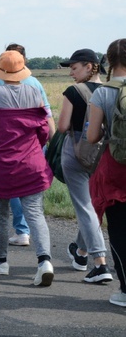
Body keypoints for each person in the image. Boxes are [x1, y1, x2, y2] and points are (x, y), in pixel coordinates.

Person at [0, 50, 54, 286]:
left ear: (1, 71)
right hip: (32, 163)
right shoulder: (35, 92)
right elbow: (44, 131)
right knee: (35, 213)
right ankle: (44, 261)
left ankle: (1, 262)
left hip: (1, 165)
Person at [56, 48, 113, 283]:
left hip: (76, 149)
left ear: (90, 66)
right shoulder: (110, 92)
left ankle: (99, 263)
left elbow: (62, 127)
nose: (71, 72)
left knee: (84, 206)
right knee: (91, 205)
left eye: (74, 67)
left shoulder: (73, 91)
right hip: (104, 152)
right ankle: (80, 253)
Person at [0, 43, 56, 247]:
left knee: (11, 191)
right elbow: (47, 116)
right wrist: (49, 141)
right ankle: (41, 252)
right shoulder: (35, 84)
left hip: (7, 146)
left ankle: (20, 233)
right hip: (33, 145)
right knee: (32, 195)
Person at [87, 38, 126, 307]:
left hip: (115, 166)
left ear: (109, 61)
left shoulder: (103, 92)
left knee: (120, 230)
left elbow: (92, 137)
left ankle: (125, 290)